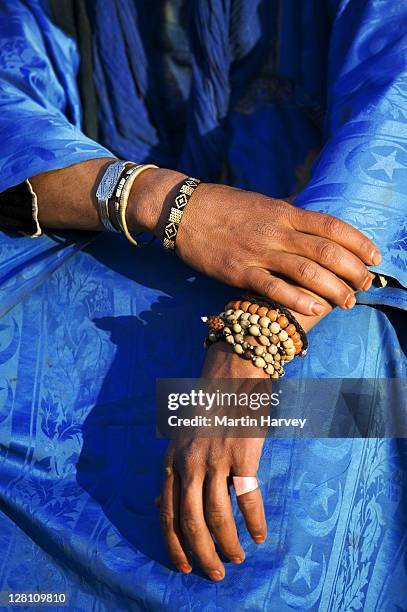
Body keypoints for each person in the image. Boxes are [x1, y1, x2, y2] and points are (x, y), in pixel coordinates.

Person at [0, 0, 406, 609]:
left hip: (325, 338)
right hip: (91, 299)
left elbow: (392, 127)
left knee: (346, 381)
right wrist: (165, 202)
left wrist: (257, 334)